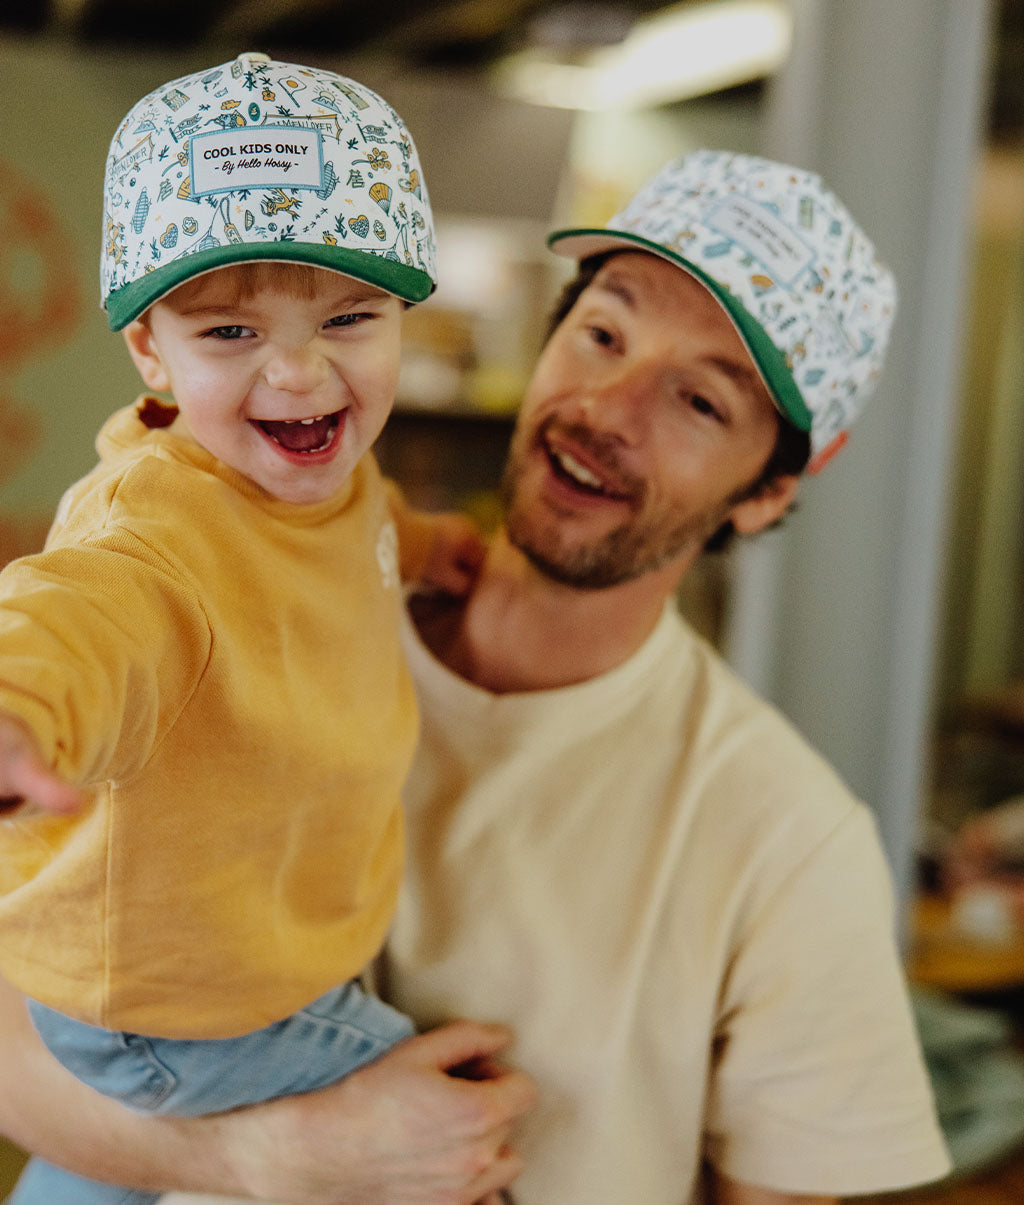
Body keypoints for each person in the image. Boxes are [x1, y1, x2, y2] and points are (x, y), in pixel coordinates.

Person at [0, 150, 950, 1204]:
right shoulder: (242, 596)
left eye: (697, 399)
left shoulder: (790, 844)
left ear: (776, 486)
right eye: (601, 333)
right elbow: (21, 1036)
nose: (607, 407)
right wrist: (265, 1158)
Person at [0, 51, 519, 1205]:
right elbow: (73, 614)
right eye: (229, 333)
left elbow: (365, 520)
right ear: (151, 352)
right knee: (451, 1122)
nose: (299, 368)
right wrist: (15, 709)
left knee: (104, 1176)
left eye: (350, 315)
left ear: (401, 321)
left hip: (211, 966)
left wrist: (434, 550)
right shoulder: (159, 530)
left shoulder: (333, 480)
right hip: (167, 1005)